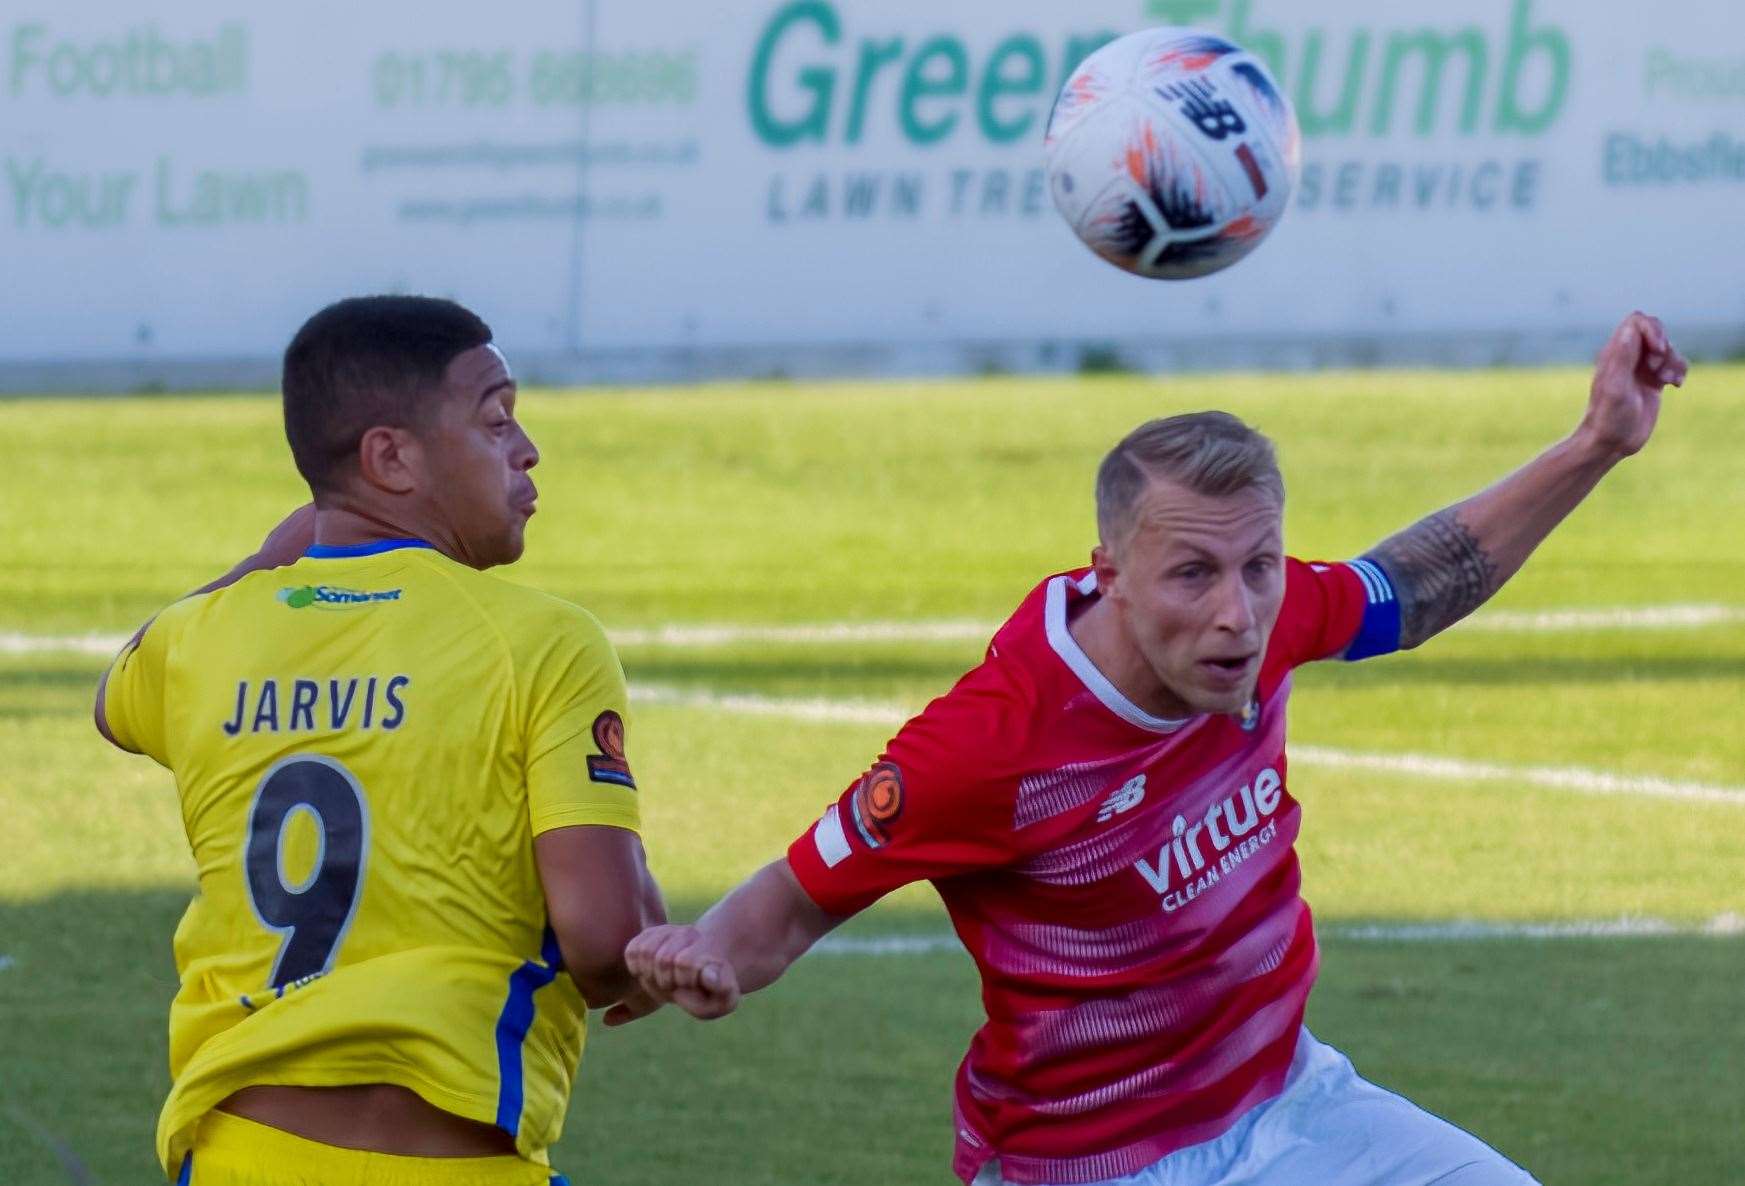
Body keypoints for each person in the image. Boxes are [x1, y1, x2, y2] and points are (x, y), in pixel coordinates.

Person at [613, 312, 1689, 1186]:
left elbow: (1412, 586)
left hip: (1293, 1105)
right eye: (1192, 575)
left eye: (1257, 564)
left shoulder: (1266, 618)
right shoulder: (992, 745)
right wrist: (705, 953)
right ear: (1109, 570)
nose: (1237, 613)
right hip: (1085, 1165)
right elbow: (794, 899)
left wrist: (1593, 442)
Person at [95, 296, 664, 1185]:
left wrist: (273, 554)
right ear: (390, 457)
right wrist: (656, 944)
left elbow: (112, 697)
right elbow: (604, 945)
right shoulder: (541, 640)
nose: (527, 447)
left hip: (242, 1157)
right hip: (455, 1163)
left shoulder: (197, 641)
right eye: (496, 419)